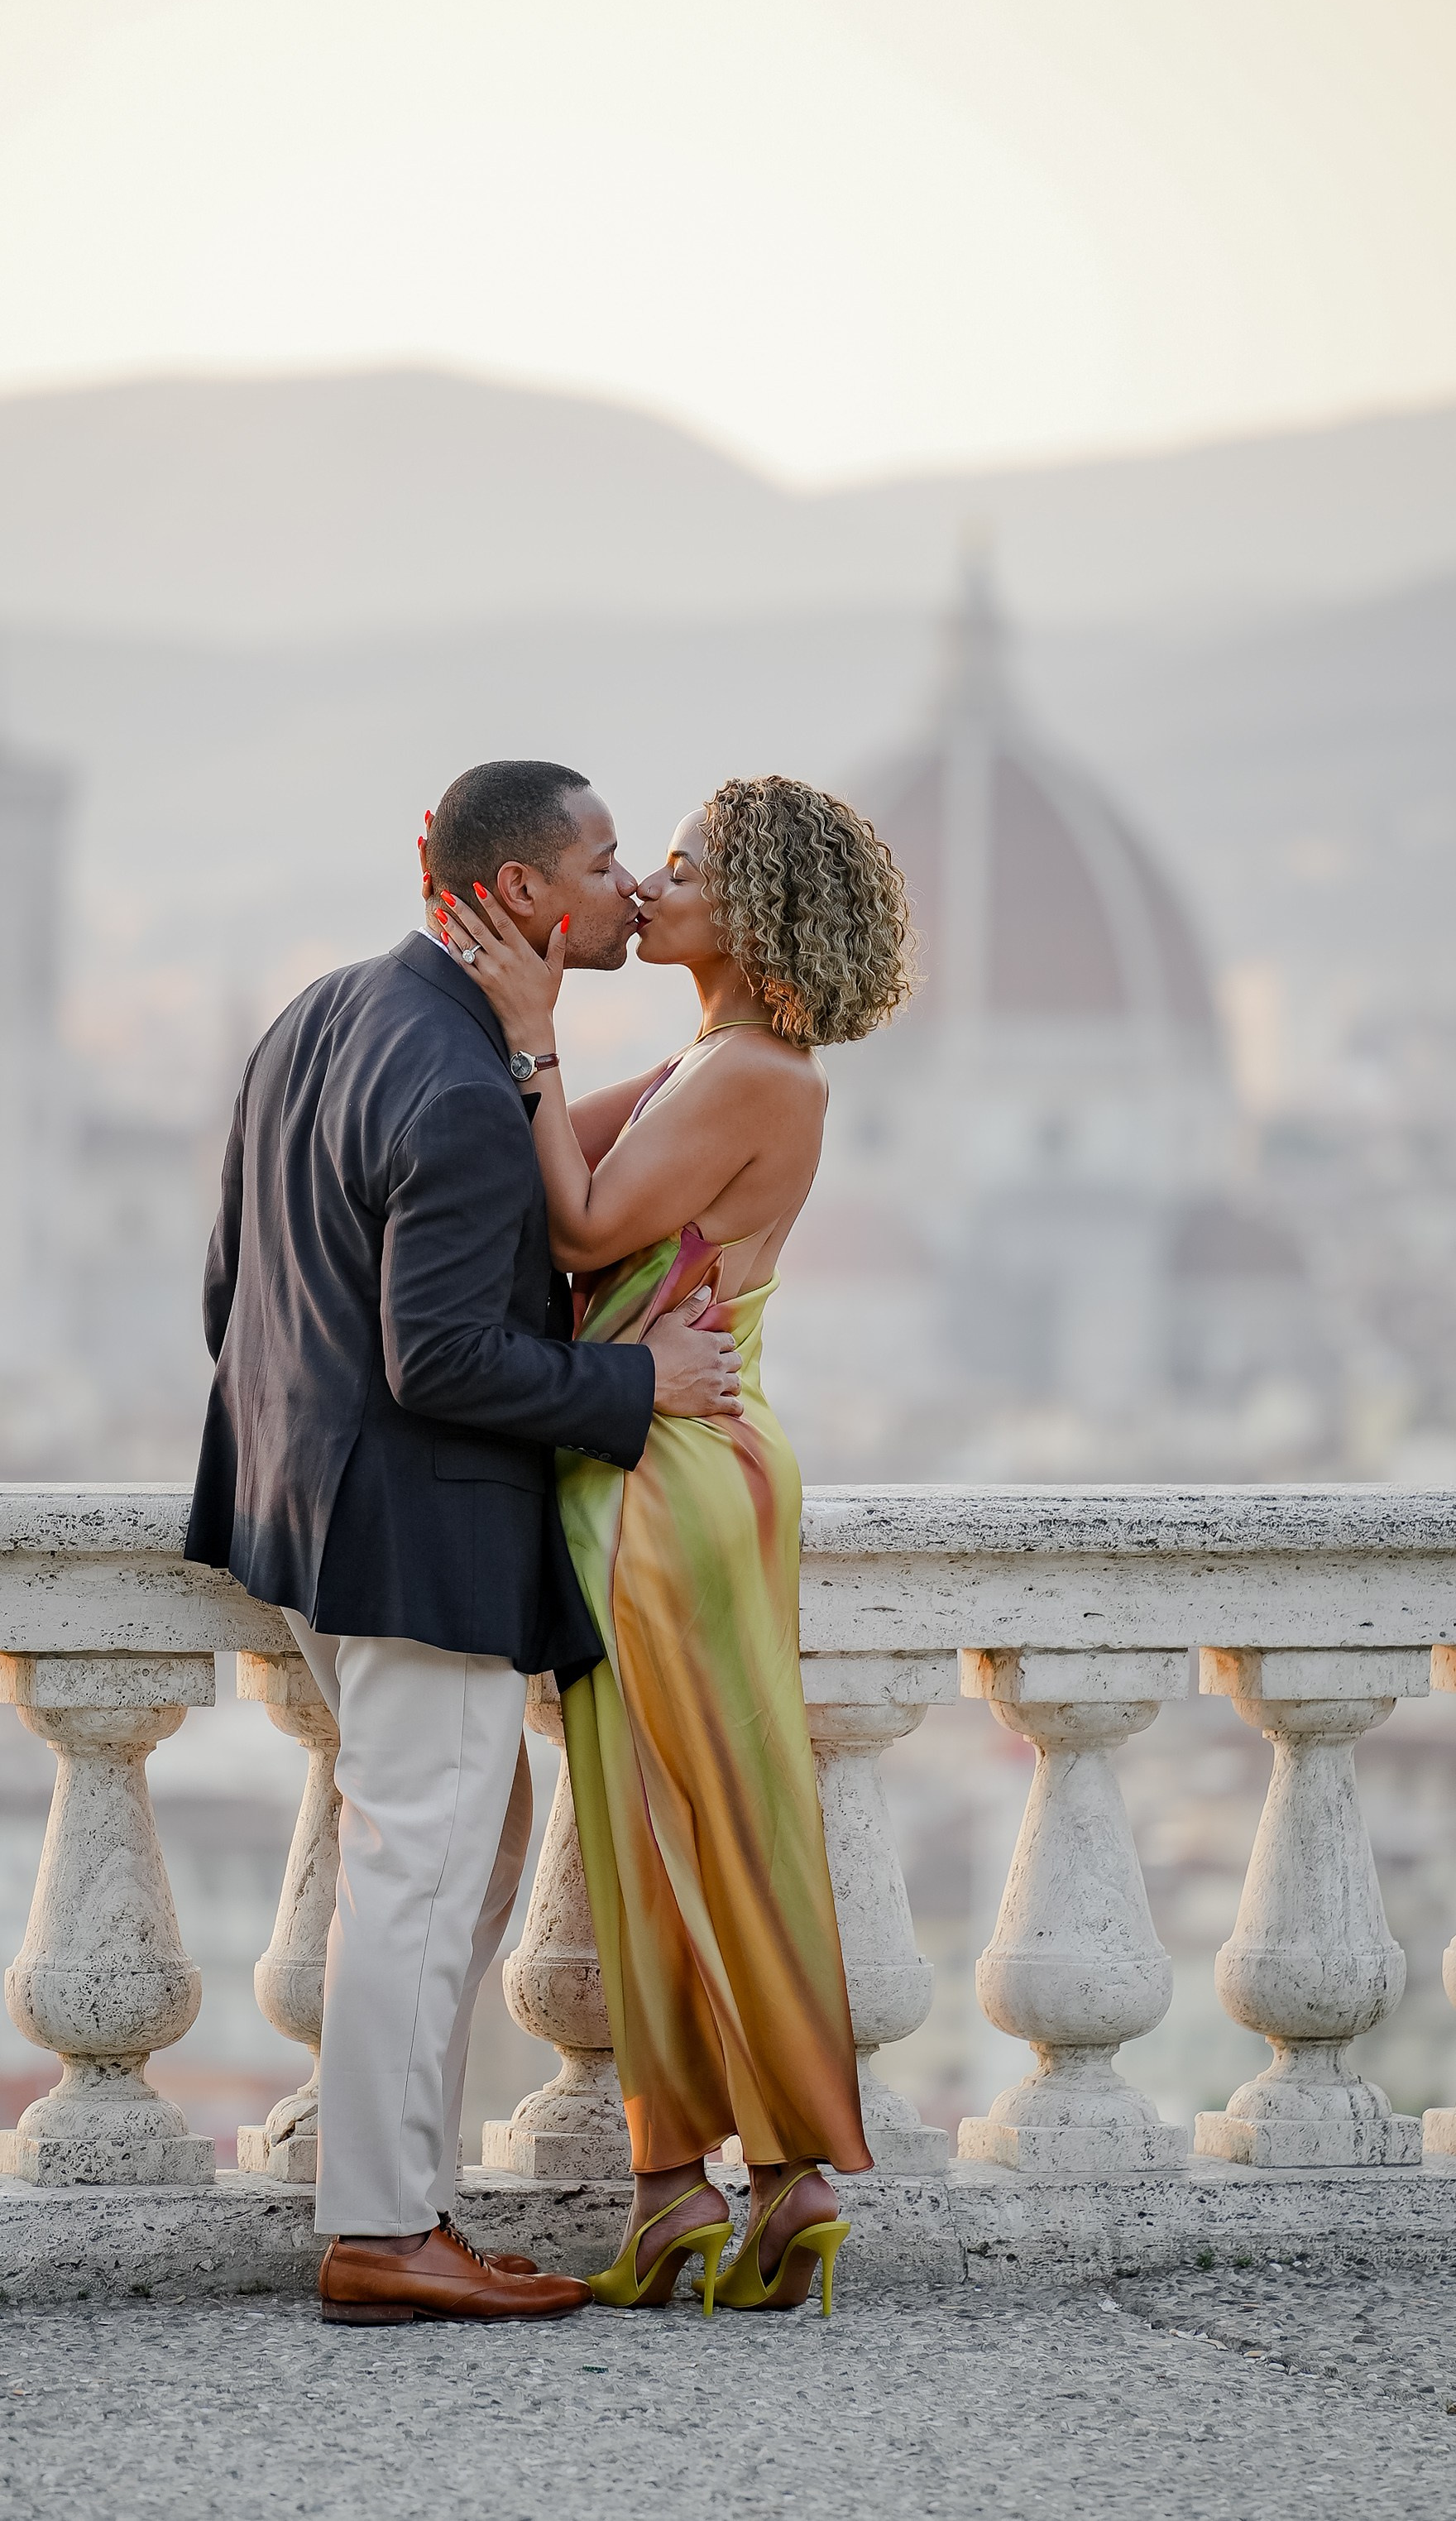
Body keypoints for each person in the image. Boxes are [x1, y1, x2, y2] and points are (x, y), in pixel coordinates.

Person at [185, 760, 744, 2326]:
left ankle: (410, 2204)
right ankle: (380, 2231)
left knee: (454, 1853)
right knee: (420, 1876)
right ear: (515, 893)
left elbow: (229, 1282)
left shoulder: (324, 1013)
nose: (627, 886)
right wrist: (644, 1382)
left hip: (298, 1509)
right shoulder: (461, 1084)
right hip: (414, 1541)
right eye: (602, 859)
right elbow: (440, 1358)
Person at [433, 773, 912, 2318]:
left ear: (754, 913)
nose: (649, 887)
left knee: (687, 1834)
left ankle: (765, 2174)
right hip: (681, 1462)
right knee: (684, 1825)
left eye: (686, 869)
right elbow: (523, 1165)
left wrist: (529, 1028)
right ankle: (722, 2193)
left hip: (666, 1478)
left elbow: (577, 1230)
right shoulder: (718, 1059)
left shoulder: (758, 1072)